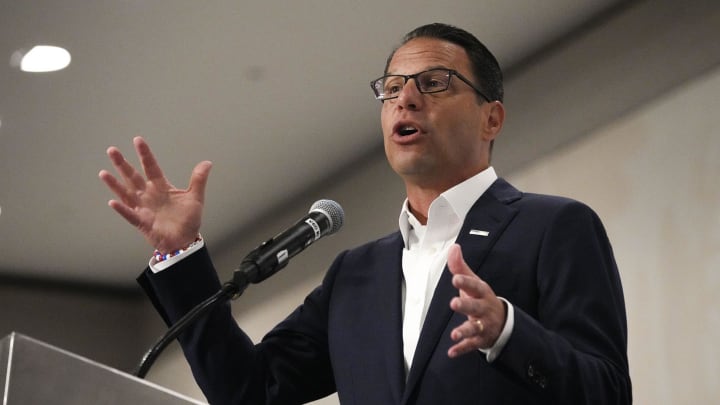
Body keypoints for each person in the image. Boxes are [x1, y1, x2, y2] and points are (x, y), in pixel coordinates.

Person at [99, 23, 631, 404]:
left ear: (492, 118)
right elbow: (249, 390)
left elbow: (607, 391)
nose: (406, 100)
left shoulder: (554, 227)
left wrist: (509, 332)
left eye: (434, 83)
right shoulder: (356, 274)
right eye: (392, 89)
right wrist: (181, 255)